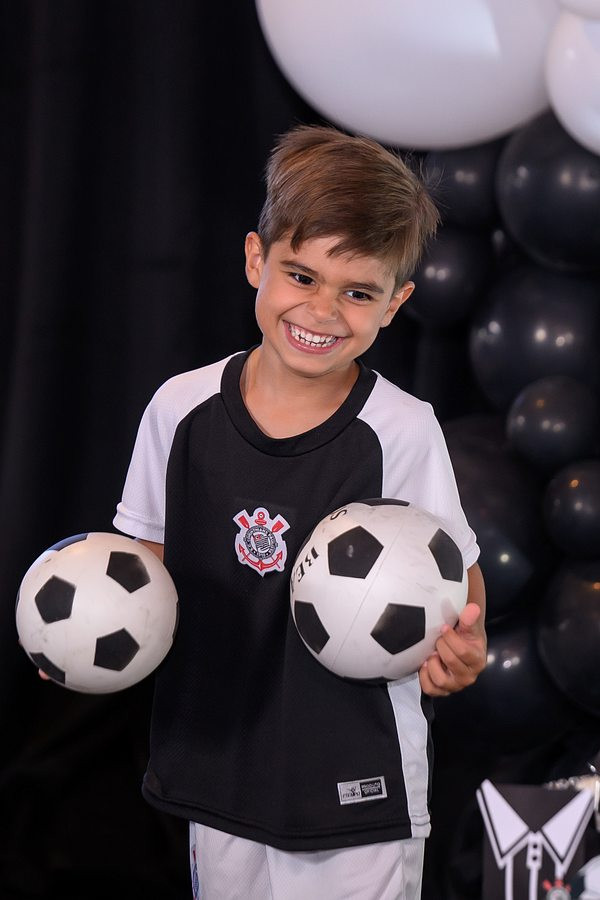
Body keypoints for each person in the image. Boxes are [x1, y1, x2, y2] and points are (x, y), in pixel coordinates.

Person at [113, 125, 487, 900]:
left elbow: (455, 571)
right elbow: (142, 563)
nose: (323, 309)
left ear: (396, 303)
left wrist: (464, 642)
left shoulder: (400, 429)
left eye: (358, 292)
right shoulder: (180, 409)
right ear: (257, 259)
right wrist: (93, 622)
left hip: (358, 780)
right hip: (219, 765)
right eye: (301, 275)